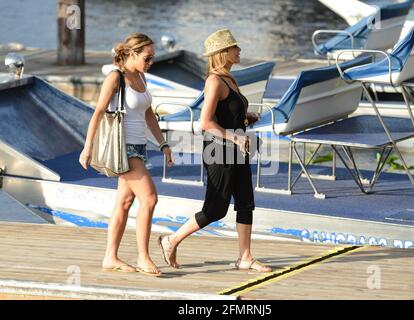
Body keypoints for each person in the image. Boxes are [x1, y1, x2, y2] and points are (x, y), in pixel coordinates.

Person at [157, 28, 272, 273]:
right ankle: (171, 240)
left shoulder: (230, 78)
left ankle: (245, 257)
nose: (239, 50)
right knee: (216, 209)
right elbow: (206, 122)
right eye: (235, 48)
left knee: (245, 203)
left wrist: (246, 117)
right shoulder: (214, 81)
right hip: (219, 151)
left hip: (238, 148)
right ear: (223, 53)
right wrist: (233, 136)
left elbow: (227, 113)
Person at [79, 32, 173, 276]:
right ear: (133, 54)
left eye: (153, 58)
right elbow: (98, 112)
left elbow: (148, 113)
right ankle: (143, 257)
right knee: (150, 199)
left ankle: (110, 257)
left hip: (140, 147)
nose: (151, 62)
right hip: (124, 148)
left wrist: (163, 144)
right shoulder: (115, 77)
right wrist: (87, 146)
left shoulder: (141, 76)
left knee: (124, 202)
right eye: (148, 57)